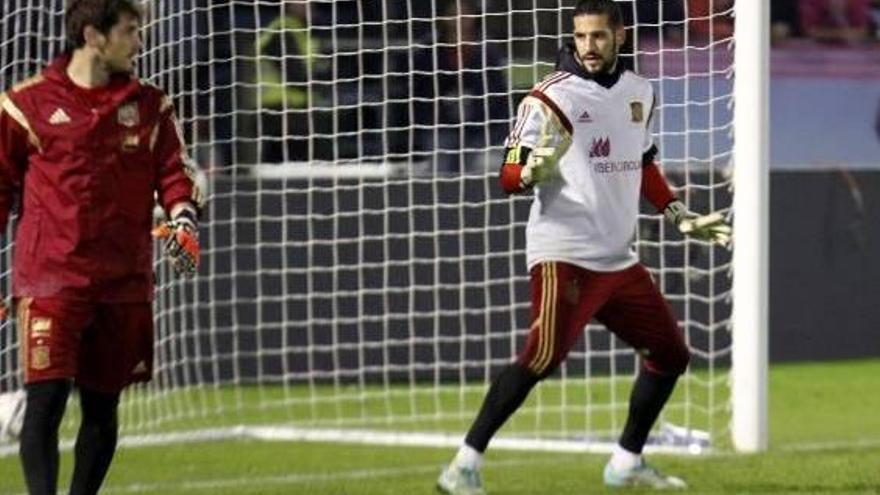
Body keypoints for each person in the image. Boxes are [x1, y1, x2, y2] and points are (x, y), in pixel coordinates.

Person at [436, 1, 730, 493]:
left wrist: (676, 213)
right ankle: (461, 466)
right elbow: (509, 174)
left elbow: (643, 162)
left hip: (618, 258)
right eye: (580, 37)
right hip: (564, 252)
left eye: (597, 36)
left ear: (620, 36)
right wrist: (531, 171)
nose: (587, 47)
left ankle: (626, 462)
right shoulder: (548, 97)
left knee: (671, 355)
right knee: (541, 356)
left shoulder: (640, 90)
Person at [0, 1, 202, 493]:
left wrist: (183, 219)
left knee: (102, 408)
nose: (139, 42)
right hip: (52, 281)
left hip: (123, 284)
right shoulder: (25, 105)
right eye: (130, 31)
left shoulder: (152, 105)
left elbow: (174, 174)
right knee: (44, 402)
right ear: (94, 36)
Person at [409, 0, 509, 174]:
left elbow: (497, 93)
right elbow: (421, 93)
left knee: (480, 170)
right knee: (440, 169)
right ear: (443, 17)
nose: (460, 18)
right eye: (454, 13)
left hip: (479, 128)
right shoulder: (429, 51)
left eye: (465, 13)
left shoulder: (487, 51)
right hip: (440, 126)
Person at [800, 0, 871, 44]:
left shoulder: (857, 2)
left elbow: (862, 31)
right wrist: (841, 34)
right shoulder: (813, 2)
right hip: (817, 50)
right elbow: (810, 31)